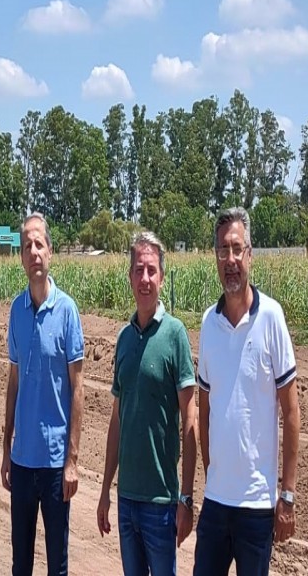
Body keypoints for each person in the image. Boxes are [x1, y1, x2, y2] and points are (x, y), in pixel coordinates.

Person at [194, 207, 300, 576]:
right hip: (216, 503)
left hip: (257, 506)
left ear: (250, 254)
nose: (231, 260)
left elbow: (290, 412)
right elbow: (203, 410)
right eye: (223, 250)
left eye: (237, 249)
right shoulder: (208, 323)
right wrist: (211, 473)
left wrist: (286, 495)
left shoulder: (272, 317)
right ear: (215, 258)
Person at [96, 231, 197, 575]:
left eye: (152, 271)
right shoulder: (123, 339)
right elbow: (117, 420)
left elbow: (190, 421)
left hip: (162, 502)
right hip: (127, 499)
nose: (145, 279)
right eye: (139, 270)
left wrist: (185, 498)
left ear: (162, 278)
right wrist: (106, 489)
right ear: (129, 277)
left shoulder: (175, 335)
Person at [1, 212, 85, 576]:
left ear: (50, 252)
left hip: (54, 467)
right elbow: (13, 382)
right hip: (22, 462)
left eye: (39, 244)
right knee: (21, 562)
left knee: (57, 565)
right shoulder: (16, 311)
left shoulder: (67, 311)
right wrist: (6, 449)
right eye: (26, 246)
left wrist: (72, 461)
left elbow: (78, 389)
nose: (33, 252)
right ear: (20, 257)